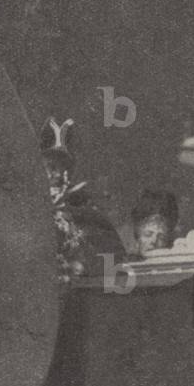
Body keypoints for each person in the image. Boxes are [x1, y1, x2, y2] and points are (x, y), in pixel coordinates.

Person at [40, 117, 124, 283]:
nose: (57, 175)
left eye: (64, 168)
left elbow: (114, 259)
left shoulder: (88, 215)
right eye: (50, 167)